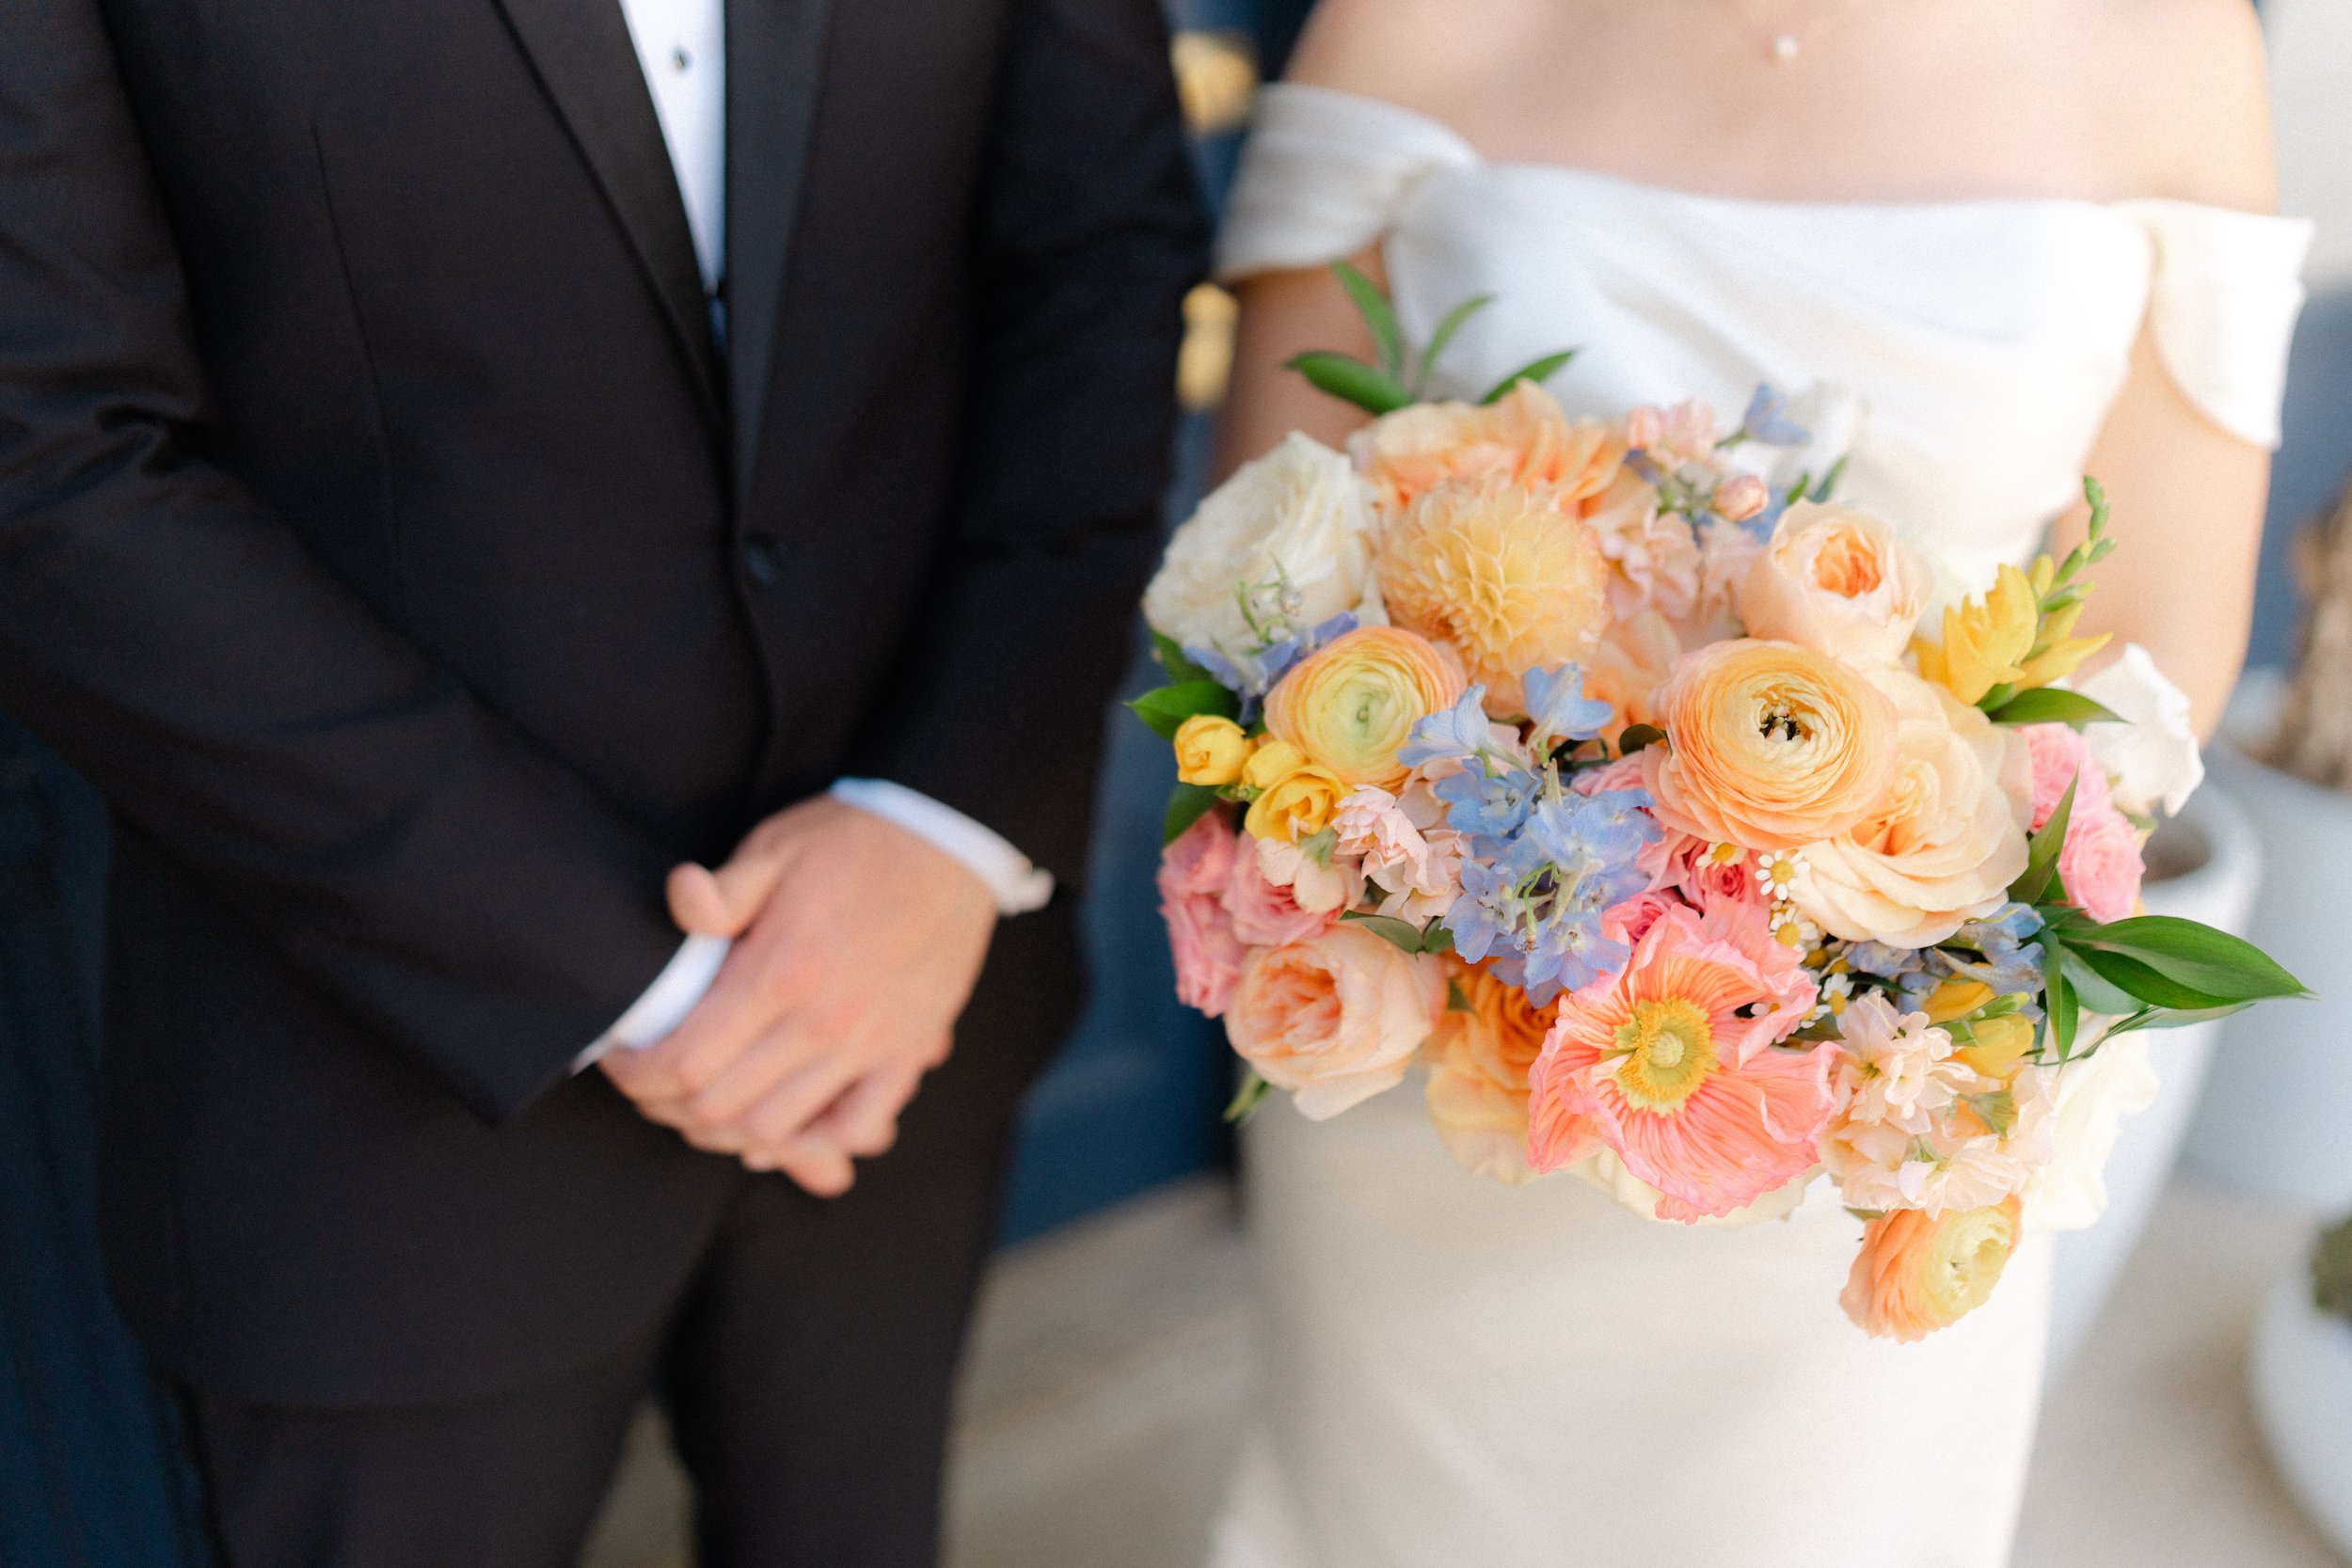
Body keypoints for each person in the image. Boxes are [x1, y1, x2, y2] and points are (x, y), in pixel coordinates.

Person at [0, 1, 1203, 1563]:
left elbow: (1098, 258)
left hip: (905, 994)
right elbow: (46, 458)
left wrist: (943, 819)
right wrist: (621, 970)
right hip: (373, 1088)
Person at [1203, 1, 2308, 1563]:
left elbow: (2155, 642)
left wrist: (1873, 962)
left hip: (1867, 1084)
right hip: (1450, 1050)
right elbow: (1274, 570)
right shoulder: (1404, 16)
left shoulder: (2174, 45)